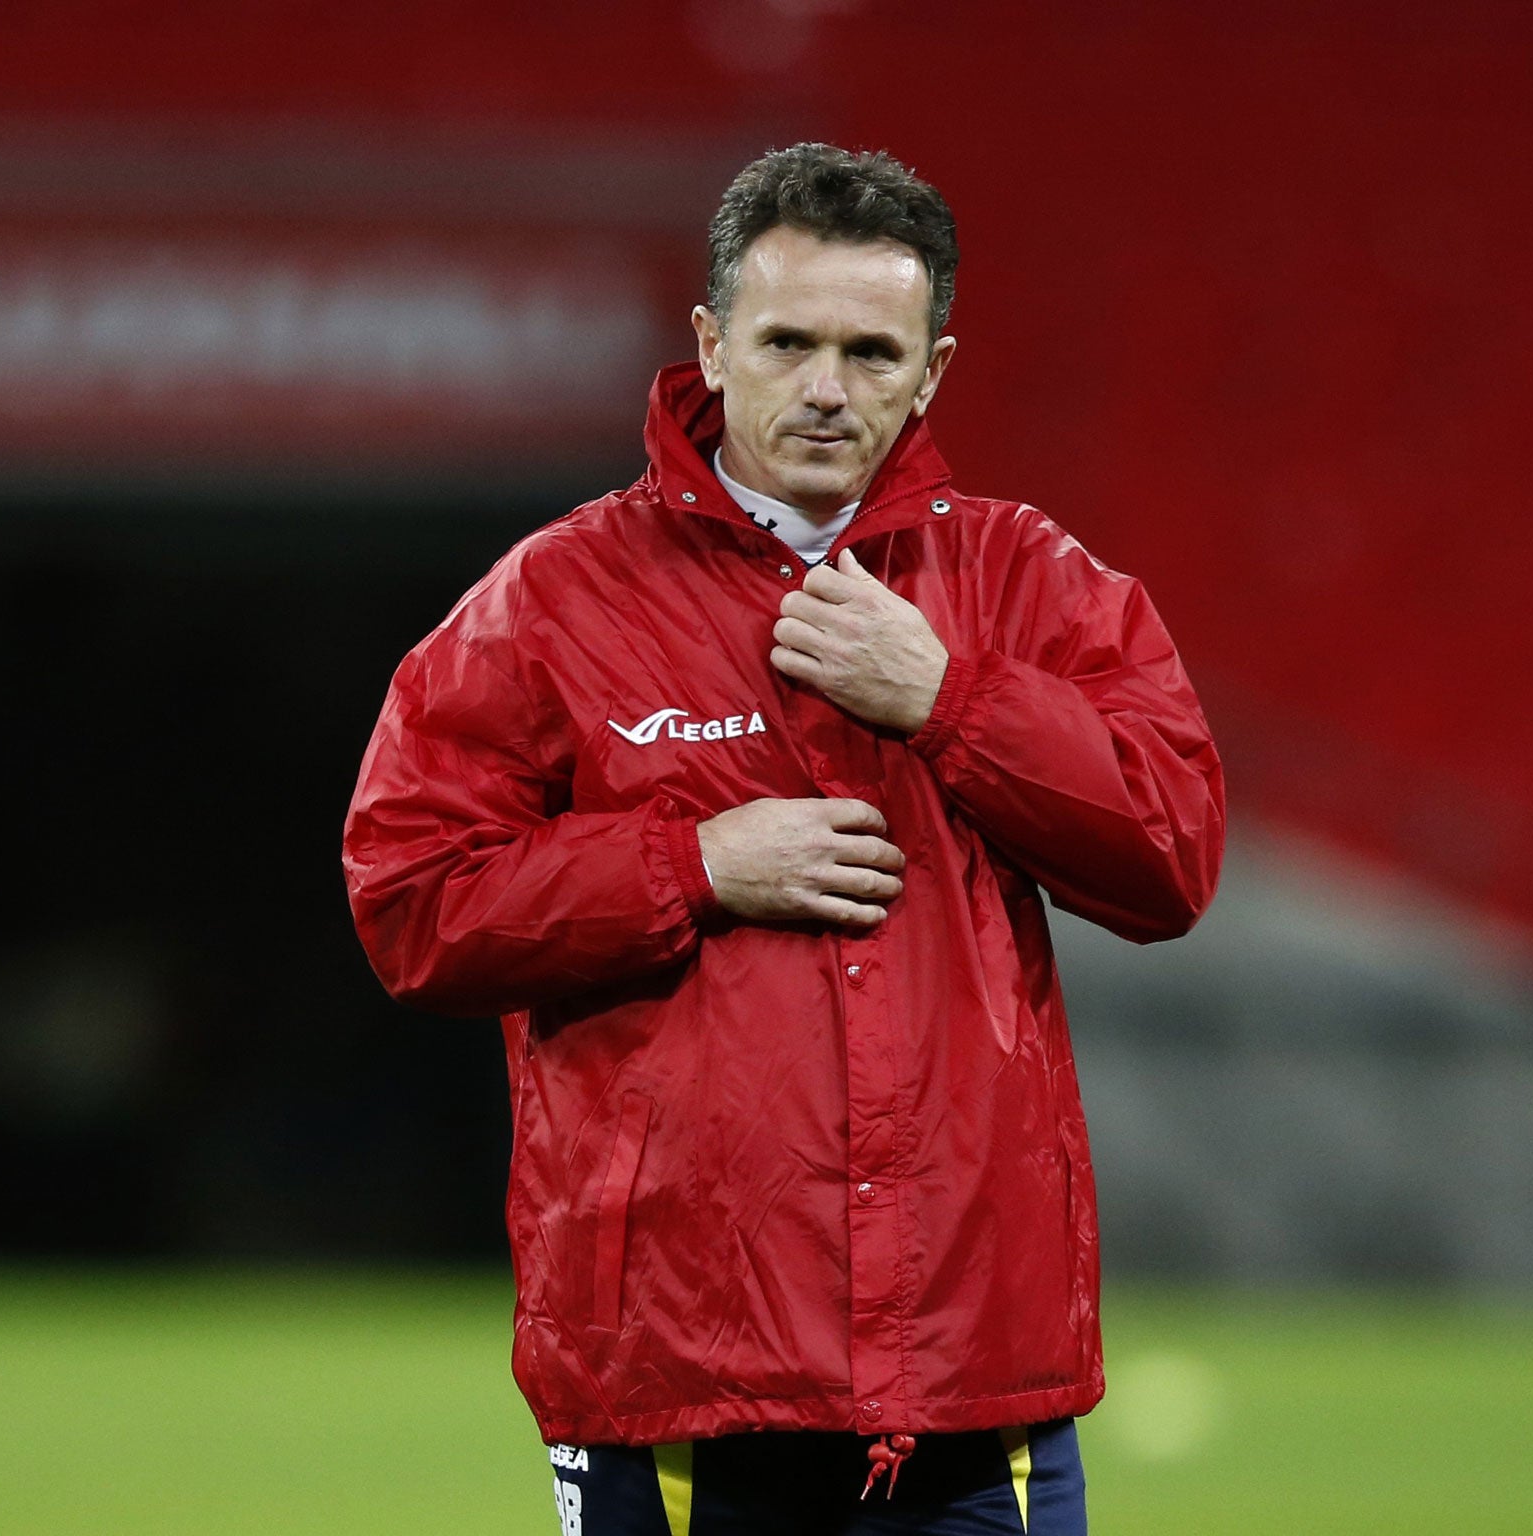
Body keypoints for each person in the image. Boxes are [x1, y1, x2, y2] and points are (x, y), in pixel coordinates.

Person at [343, 143, 1224, 1536]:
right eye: (789, 341)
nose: (827, 387)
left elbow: (1172, 855)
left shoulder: (1030, 586)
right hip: (679, 1382)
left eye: (873, 352)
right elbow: (412, 900)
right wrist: (689, 864)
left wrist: (952, 700)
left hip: (971, 1386)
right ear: (711, 343)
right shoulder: (553, 603)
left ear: (933, 370)